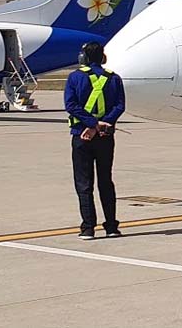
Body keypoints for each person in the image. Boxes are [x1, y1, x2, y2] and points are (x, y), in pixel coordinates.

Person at [64, 41, 126, 240]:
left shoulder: (74, 77)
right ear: (103, 57)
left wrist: (91, 125)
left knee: (84, 183)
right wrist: (103, 124)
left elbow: (71, 105)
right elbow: (120, 105)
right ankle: (111, 227)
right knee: (106, 181)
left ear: (83, 58)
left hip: (81, 136)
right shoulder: (114, 79)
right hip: (105, 136)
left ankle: (88, 228)